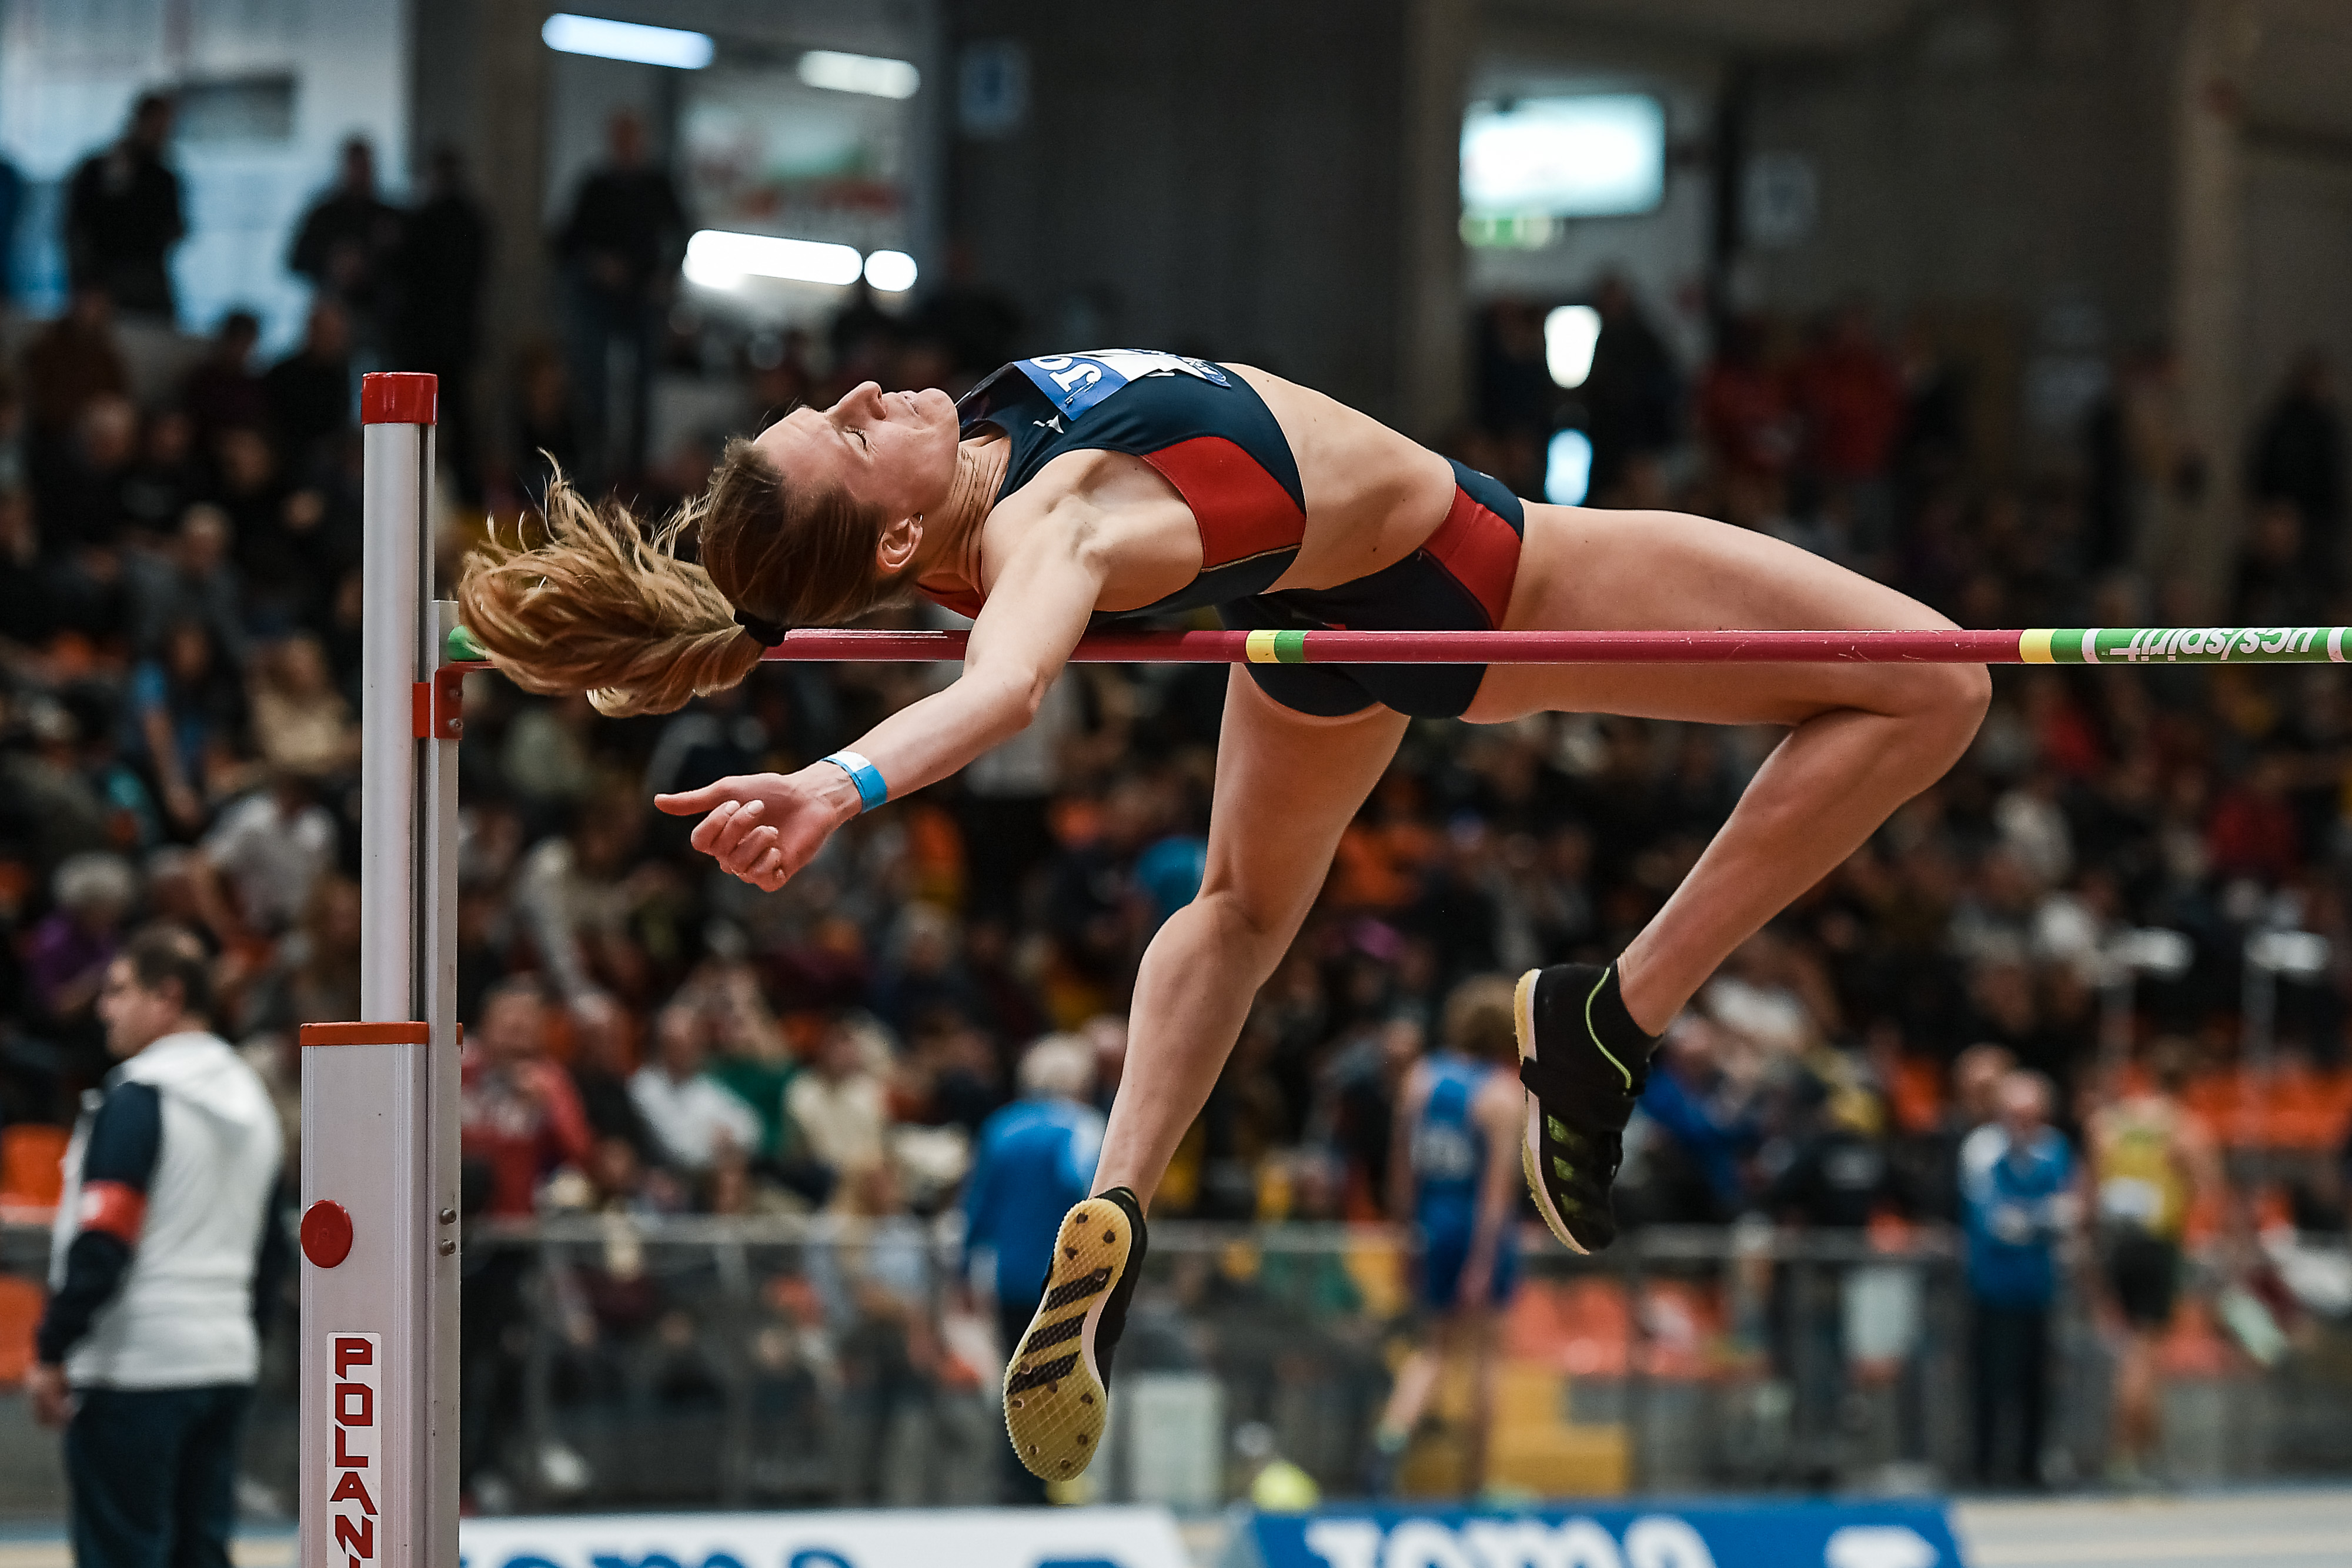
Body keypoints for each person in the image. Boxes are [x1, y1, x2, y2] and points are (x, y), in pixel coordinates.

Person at [458, 344, 1990, 1480]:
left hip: (1307, 620)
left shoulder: (980, 464)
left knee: (1245, 906)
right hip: (1476, 576)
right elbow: (1004, 686)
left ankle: (1118, 1194)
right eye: (853, 434)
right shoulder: (1054, 520)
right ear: (897, 544)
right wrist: (835, 784)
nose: (866, 393)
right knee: (1935, 682)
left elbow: (868, 580)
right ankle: (1617, 1013)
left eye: (837, 401)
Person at [30, 925, 286, 1568]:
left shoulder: (140, 1097)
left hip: (135, 1365)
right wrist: (240, 1336)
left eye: (119, 991)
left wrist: (53, 1346)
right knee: (201, 1551)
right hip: (223, 1359)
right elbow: (272, 1252)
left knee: (123, 1554)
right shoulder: (254, 1102)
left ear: (168, 997)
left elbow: (104, 1237)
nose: (104, 1008)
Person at [1367, 975, 1524, 1497]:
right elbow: (1497, 1194)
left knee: (1432, 1348)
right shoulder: (1500, 1094)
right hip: (1477, 1229)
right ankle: (1476, 1483)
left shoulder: (1423, 1078)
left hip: (1431, 1224)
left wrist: (1407, 1235)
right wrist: (1483, 1262)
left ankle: (1389, 1443)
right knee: (1484, 1357)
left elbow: (1401, 1171)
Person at [961, 1034, 1105, 1502]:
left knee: (1017, 1377)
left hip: (1009, 1276)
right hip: (1070, 1278)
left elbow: (978, 1206)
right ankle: (1053, 1483)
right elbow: (1086, 1190)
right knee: (1064, 1380)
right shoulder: (1081, 1127)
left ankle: (1013, 1481)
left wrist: (963, 1267)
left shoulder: (1001, 1128)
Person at [2088, 1040, 2221, 1486]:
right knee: (2142, 1355)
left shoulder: (2112, 1122)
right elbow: (2210, 1188)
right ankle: (2123, 1456)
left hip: (2115, 1243)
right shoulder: (2185, 1128)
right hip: (2157, 1243)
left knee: (2135, 1350)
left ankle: (2151, 1457)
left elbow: (2091, 1186)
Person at [551, 110, 687, 484]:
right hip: (599, 301)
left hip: (643, 300)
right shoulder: (595, 186)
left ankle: (635, 472)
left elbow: (680, 234)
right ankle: (594, 466)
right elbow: (567, 241)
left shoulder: (658, 186)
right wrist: (598, 264)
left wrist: (666, 276)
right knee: (593, 384)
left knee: (643, 391)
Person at [1959, 1069, 2074, 1488]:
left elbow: (2068, 1212)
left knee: (2036, 1382)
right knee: (1990, 1379)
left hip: (2038, 1286)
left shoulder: (2054, 1148)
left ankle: (2030, 1465)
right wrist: (2041, 1219)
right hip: (1992, 1284)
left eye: (2032, 1115)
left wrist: (2031, 1219)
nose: (2025, 1124)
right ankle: (1985, 1465)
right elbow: (1995, 1222)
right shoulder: (1983, 1148)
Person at [395, 147, 491, 502]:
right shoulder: (472, 222)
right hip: (455, 339)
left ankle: (415, 492)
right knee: (459, 421)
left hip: (426, 341)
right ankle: (466, 495)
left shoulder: (421, 222)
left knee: (418, 422)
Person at [62, 93, 183, 323]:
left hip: (148, 283)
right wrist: (86, 282)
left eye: (165, 128)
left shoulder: (163, 178)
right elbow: (77, 229)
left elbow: (174, 228)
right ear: (139, 121)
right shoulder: (98, 170)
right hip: (103, 284)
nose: (161, 134)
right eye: (157, 126)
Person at [288, 136, 405, 362]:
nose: (361, 172)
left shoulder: (388, 216)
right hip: (333, 314)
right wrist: (333, 265)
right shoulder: (324, 215)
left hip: (379, 318)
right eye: (355, 165)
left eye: (365, 165)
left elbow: (408, 269)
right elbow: (296, 261)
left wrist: (373, 265)